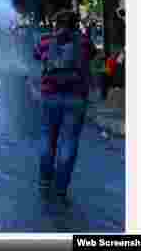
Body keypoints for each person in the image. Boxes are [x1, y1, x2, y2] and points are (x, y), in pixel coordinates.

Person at [33, 10, 96, 201]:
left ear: (56, 24)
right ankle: (61, 188)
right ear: (76, 24)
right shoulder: (84, 42)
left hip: (50, 96)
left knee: (47, 137)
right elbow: (92, 55)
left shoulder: (45, 41)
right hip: (76, 97)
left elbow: (36, 55)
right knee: (68, 141)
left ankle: (44, 181)